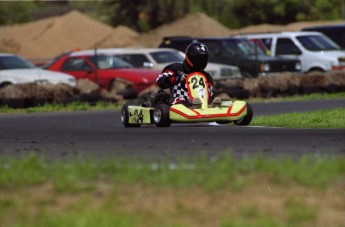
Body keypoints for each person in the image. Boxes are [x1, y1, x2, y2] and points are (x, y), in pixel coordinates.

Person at [156, 42, 215, 107]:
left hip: (201, 104)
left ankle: (207, 106)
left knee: (210, 100)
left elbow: (209, 93)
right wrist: (177, 79)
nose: (200, 62)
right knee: (181, 101)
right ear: (190, 57)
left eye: (203, 59)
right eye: (198, 59)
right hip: (178, 102)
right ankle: (192, 103)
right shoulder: (176, 69)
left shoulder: (207, 76)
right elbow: (159, 81)